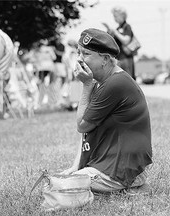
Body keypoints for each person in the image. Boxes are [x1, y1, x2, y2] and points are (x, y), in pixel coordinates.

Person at [60, 28, 152, 193]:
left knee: (60, 188)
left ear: (105, 59)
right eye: (78, 52)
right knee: (62, 182)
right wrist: (76, 166)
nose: (79, 59)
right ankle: (128, 189)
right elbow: (87, 133)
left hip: (121, 169)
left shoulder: (114, 84)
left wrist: (86, 86)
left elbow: (82, 125)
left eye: (86, 54)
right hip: (114, 164)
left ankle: (129, 188)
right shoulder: (103, 81)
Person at [102, 6, 136, 80]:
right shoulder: (118, 28)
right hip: (119, 58)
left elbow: (126, 40)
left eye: (116, 16)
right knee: (120, 79)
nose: (115, 18)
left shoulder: (127, 27)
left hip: (126, 58)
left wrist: (115, 32)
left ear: (122, 15)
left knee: (128, 79)